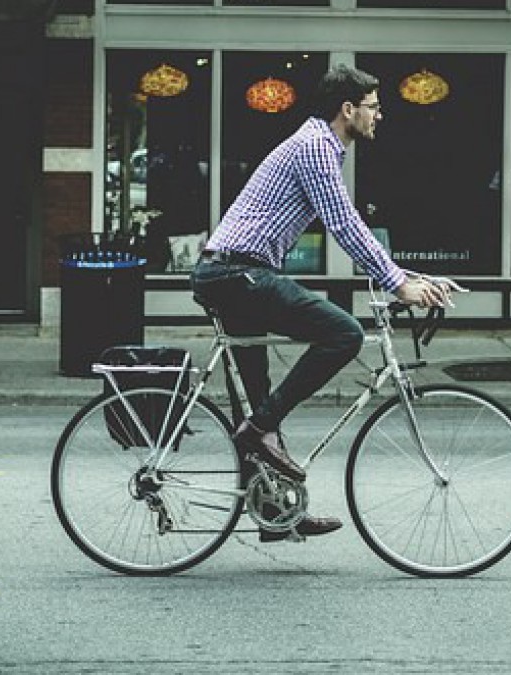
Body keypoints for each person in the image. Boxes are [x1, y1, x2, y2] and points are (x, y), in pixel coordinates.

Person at [190, 64, 450, 542]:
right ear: (347, 109)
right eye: (374, 106)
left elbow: (348, 227)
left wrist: (412, 278)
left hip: (236, 272)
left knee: (258, 394)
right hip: (237, 273)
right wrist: (396, 283)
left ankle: (274, 511)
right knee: (343, 334)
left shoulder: (319, 145)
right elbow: (345, 224)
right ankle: (258, 433)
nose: (380, 115)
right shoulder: (315, 147)